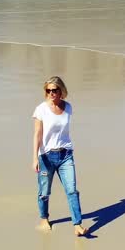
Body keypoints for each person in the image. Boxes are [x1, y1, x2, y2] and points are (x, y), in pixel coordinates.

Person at [33, 76, 85, 236]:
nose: (51, 93)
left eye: (54, 90)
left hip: (66, 155)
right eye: (48, 90)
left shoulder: (68, 107)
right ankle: (44, 218)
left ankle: (77, 225)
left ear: (61, 91)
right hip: (46, 157)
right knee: (44, 192)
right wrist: (34, 158)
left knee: (72, 191)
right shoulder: (41, 109)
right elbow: (37, 134)